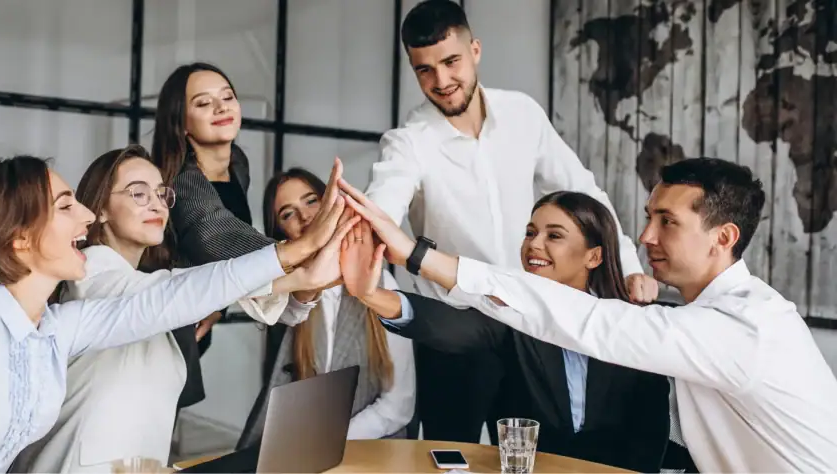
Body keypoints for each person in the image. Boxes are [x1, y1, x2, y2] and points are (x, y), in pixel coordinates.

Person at [0, 155, 348, 473]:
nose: (84, 214)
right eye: (65, 206)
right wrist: (294, 259)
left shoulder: (54, 329)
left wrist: (293, 258)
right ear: (19, 237)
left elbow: (169, 298)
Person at [340, 158, 837, 472]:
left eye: (667, 222)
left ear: (723, 237)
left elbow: (587, 322)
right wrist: (375, 293)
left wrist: (415, 254)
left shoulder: (739, 327)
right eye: (649, 217)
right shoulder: (714, 315)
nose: (646, 237)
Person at [363, 0, 658, 443]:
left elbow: (585, 193)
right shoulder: (407, 144)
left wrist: (628, 267)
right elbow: (381, 211)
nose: (441, 81)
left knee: (533, 456)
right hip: (453, 332)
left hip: (526, 325)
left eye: (451, 61)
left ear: (475, 50)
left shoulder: (523, 114)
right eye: (425, 70)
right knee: (450, 460)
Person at [10, 147, 352, 472]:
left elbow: (238, 300)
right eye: (138, 193)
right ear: (100, 209)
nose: (156, 203)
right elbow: (179, 291)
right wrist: (298, 253)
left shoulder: (149, 285)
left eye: (161, 194)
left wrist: (304, 281)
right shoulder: (92, 273)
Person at [346, 191, 670, 472]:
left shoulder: (630, 326)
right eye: (530, 233)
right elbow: (452, 326)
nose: (534, 245)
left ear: (593, 256)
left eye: (554, 236)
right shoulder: (513, 317)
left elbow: (649, 438)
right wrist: (371, 294)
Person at [151, 62, 339, 395]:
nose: (221, 107)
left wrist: (219, 305)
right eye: (203, 103)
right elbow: (217, 236)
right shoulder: (181, 181)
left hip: (196, 318)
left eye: (227, 97)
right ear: (181, 124)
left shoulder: (237, 163)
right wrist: (308, 247)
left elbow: (221, 252)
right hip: (161, 323)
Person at [237, 168, 416, 446]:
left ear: (332, 203)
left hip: (370, 446)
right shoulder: (287, 299)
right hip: (299, 443)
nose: (304, 216)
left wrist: (328, 440)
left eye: (311, 201)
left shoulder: (382, 285)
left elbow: (398, 406)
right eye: (288, 214)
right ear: (280, 233)